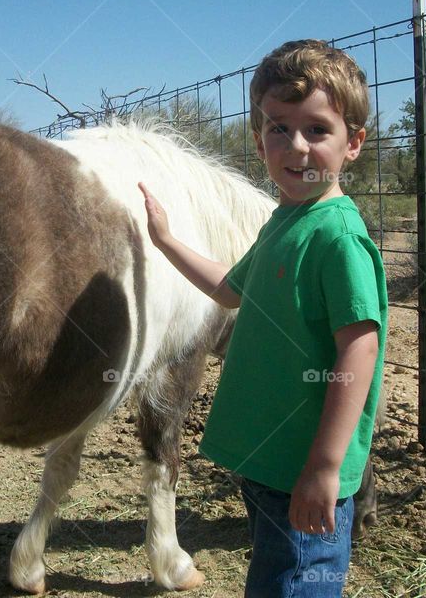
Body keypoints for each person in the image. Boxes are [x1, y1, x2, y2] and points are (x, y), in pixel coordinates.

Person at [139, 39, 387, 597]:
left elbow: (359, 350)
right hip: (269, 467)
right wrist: (166, 239)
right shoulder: (284, 222)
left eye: (317, 130)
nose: (296, 147)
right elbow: (229, 289)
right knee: (274, 579)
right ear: (259, 140)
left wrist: (325, 468)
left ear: (354, 143)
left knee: (293, 582)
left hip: (304, 468)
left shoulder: (337, 238)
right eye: (279, 129)